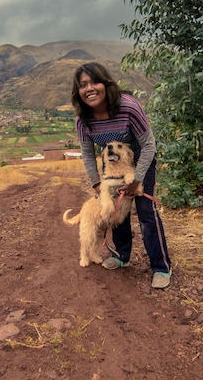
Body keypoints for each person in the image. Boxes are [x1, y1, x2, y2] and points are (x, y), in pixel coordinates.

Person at [70, 62, 172, 289]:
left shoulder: (128, 107)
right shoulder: (82, 120)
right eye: (83, 85)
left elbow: (148, 144)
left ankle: (161, 267)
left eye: (94, 82)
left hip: (140, 160)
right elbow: (87, 154)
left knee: (146, 212)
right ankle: (121, 255)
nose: (89, 88)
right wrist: (97, 185)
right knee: (116, 211)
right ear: (78, 92)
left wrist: (137, 181)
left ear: (105, 84)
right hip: (114, 165)